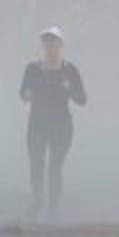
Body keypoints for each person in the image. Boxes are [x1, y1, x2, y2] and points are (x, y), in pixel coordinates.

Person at [20, 26, 86, 220]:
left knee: (55, 167)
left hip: (61, 126)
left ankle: (53, 208)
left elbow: (82, 100)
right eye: (46, 42)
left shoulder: (70, 70)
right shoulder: (32, 68)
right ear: (42, 45)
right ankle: (38, 199)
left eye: (54, 42)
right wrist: (27, 94)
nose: (50, 46)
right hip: (37, 123)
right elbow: (22, 92)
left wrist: (70, 88)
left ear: (61, 45)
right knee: (36, 164)